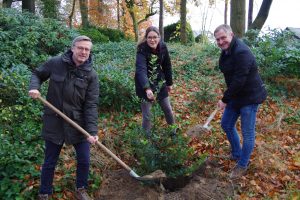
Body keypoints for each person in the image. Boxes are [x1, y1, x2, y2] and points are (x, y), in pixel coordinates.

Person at [29, 35, 99, 200]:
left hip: (78, 123)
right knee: (50, 161)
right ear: (73, 48)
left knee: (84, 160)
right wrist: (34, 88)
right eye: (80, 48)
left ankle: (81, 189)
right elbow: (37, 74)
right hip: (54, 120)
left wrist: (92, 131)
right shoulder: (56, 63)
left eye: (87, 49)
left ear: (90, 52)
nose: (83, 52)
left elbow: (91, 105)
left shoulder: (91, 75)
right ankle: (44, 193)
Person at [214, 24, 267, 179]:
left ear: (231, 34)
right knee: (226, 124)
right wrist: (229, 97)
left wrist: (225, 99)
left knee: (248, 133)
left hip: (250, 97)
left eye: (223, 37)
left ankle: (243, 164)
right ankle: (237, 153)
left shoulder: (242, 52)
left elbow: (239, 80)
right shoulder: (226, 51)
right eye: (217, 39)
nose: (221, 41)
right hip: (236, 96)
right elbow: (229, 76)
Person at [135, 26, 175, 136]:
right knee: (147, 115)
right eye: (149, 37)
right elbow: (141, 70)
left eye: (155, 37)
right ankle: (145, 140)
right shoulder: (142, 49)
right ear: (146, 38)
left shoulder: (163, 47)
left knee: (167, 109)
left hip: (159, 81)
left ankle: (173, 133)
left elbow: (167, 65)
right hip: (143, 84)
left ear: (159, 37)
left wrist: (169, 83)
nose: (152, 40)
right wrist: (147, 88)